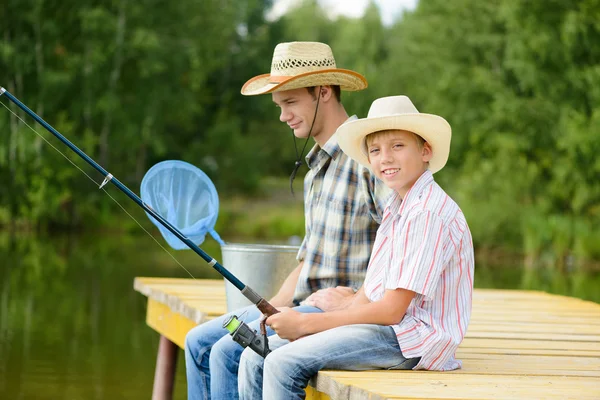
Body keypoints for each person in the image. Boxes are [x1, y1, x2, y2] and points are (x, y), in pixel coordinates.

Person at [184, 41, 391, 400]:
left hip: (339, 311)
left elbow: (401, 242)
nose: (283, 116)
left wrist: (356, 300)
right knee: (198, 342)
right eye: (279, 106)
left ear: (323, 91)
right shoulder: (315, 174)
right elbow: (309, 255)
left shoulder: (369, 157)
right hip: (301, 303)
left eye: (291, 102)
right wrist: (275, 303)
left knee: (228, 354)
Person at [238, 95, 475, 399]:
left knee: (282, 362)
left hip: (411, 340)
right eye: (375, 150)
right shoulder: (397, 206)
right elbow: (375, 287)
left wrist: (307, 323)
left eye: (397, 146)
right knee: (257, 354)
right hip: (388, 330)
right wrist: (339, 305)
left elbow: (391, 311)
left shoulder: (426, 213)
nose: (385, 158)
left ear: (425, 150)